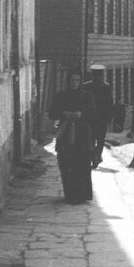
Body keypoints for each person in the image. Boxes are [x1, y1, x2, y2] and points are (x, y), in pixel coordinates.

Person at [49, 71, 95, 203]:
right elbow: (52, 113)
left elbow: (92, 114)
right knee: (67, 164)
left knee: (82, 165)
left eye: (77, 80)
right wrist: (64, 114)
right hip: (65, 133)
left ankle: (82, 195)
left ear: (80, 81)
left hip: (82, 135)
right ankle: (70, 195)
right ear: (68, 81)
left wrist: (81, 115)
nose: (74, 83)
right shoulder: (61, 96)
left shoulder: (87, 96)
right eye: (72, 80)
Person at [83, 64, 115, 168]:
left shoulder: (86, 86)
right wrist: (109, 118)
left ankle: (95, 158)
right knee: (99, 140)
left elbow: (110, 103)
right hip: (100, 119)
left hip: (92, 119)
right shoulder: (105, 87)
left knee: (92, 140)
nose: (98, 77)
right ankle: (96, 157)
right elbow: (110, 104)